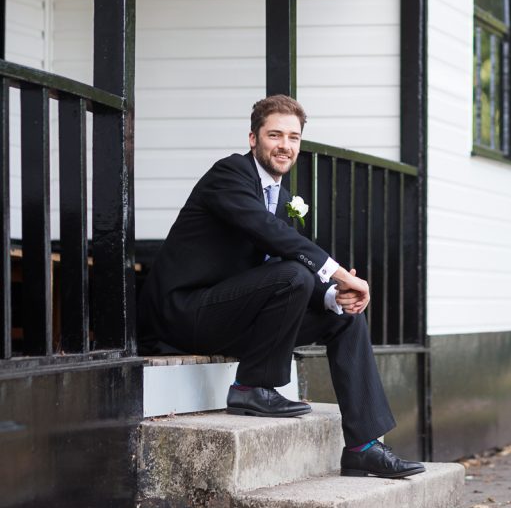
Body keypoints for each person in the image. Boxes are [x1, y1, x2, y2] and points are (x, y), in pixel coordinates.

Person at [138, 94, 425, 479]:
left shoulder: (283, 198)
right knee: (295, 274)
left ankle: (363, 446)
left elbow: (278, 261)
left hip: (234, 317)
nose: (284, 145)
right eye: (275, 134)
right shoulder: (229, 175)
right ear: (253, 138)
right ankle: (251, 387)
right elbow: (270, 236)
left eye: (293, 137)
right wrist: (340, 274)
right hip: (187, 314)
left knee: (343, 317)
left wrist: (332, 296)